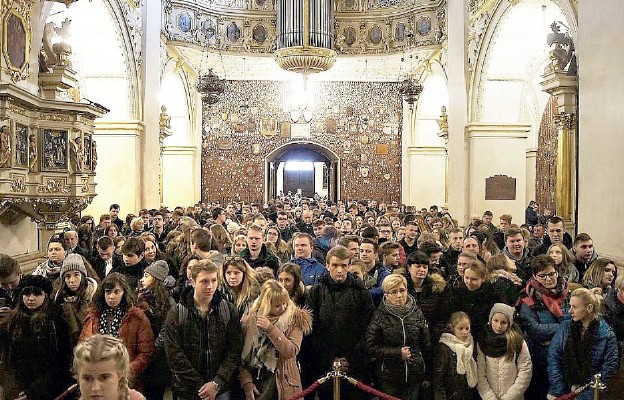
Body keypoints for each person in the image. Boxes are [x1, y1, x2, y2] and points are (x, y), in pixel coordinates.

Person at [162, 259, 243, 400]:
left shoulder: (228, 310)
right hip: (187, 389)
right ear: (192, 281)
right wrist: (201, 386)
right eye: (204, 281)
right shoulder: (177, 313)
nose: (210, 286)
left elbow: (234, 349)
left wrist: (217, 383)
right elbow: (174, 354)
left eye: (213, 280)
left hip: (220, 388)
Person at [305, 245, 375, 400]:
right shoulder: (316, 292)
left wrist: (350, 359)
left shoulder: (362, 293)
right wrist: (330, 359)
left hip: (355, 365)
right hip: (325, 365)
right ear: (327, 265)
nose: (339, 270)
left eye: (344, 266)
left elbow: (367, 328)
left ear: (349, 266)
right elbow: (313, 330)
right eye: (335, 265)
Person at [239, 280, 313, 400]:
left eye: (285, 303)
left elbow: (291, 351)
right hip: (258, 381)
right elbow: (243, 358)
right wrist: (247, 382)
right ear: (266, 305)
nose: (283, 308)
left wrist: (271, 329)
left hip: (284, 382)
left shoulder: (295, 318)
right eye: (277, 305)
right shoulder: (250, 320)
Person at [0, 274, 70, 400]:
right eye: (26, 294)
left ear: (46, 296)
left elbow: (61, 363)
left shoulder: (55, 321)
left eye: (37, 294)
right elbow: (6, 359)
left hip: (46, 390)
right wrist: (12, 387)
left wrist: (35, 391)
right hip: (16, 388)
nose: (30, 299)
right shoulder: (12, 321)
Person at [80, 272, 155, 389]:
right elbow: (83, 347)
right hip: (98, 378)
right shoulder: (94, 317)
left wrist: (126, 371)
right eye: (108, 292)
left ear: (124, 292)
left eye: (117, 292)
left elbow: (146, 353)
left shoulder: (137, 317)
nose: (111, 296)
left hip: (126, 380)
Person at [366, 274, 432, 400]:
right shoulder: (379, 316)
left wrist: (426, 372)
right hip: (389, 376)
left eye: (402, 291)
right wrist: (397, 353)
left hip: (414, 373)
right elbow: (371, 347)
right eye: (393, 292)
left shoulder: (417, 313)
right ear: (386, 295)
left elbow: (426, 344)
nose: (399, 296)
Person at [547, 288, 619, 400]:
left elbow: (608, 369)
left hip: (591, 393)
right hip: (564, 390)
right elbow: (554, 359)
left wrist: (583, 397)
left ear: (589, 308)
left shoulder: (607, 335)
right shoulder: (565, 328)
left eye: (575, 307)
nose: (570, 311)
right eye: (570, 306)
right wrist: (560, 391)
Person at [516, 254, 571, 400]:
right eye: (542, 276)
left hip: (566, 356)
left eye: (551, 274)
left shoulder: (568, 294)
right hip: (540, 358)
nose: (548, 279)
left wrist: (556, 328)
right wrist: (563, 325)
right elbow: (535, 331)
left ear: (557, 272)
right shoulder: (527, 298)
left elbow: (576, 322)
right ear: (534, 276)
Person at [476, 303, 532, 400]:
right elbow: (479, 373)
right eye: (495, 320)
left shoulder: (517, 341)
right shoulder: (482, 340)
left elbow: (525, 371)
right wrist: (489, 397)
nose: (499, 326)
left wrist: (508, 397)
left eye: (503, 322)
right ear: (490, 319)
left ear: (509, 323)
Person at [138, 260, 175, 400]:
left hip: (158, 359)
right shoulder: (142, 297)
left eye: (146, 276)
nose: (142, 279)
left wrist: (152, 349)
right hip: (145, 356)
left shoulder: (169, 303)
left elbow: (166, 331)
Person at [450, 259, 504, 340]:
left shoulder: (493, 293)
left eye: (474, 279)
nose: (469, 282)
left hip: (487, 336)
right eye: (466, 278)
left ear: (483, 278)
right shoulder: (457, 292)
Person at [404, 250, 450, 344]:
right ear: (409, 267)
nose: (422, 270)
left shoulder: (437, 289)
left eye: (425, 267)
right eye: (417, 266)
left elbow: (442, 316)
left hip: (431, 337)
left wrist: (433, 334)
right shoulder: (400, 287)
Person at [55, 254, 98, 348]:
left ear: (82, 276)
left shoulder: (94, 296)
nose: (72, 280)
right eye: (67, 276)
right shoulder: (59, 299)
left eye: (76, 275)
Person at [433, 311, 478, 400]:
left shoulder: (472, 344)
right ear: (452, 328)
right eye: (460, 328)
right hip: (450, 394)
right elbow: (438, 380)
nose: (465, 332)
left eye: (467, 328)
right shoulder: (444, 347)